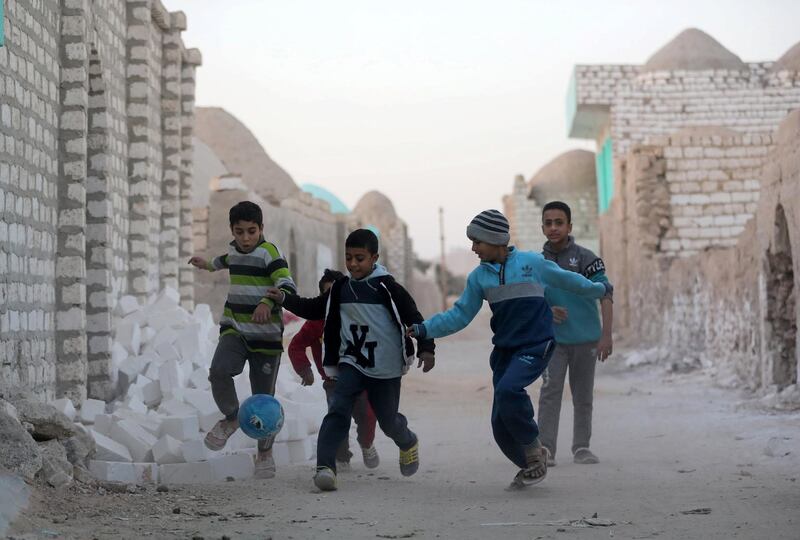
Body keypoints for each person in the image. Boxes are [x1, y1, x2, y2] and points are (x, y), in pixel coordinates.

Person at [407, 209, 610, 488]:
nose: (473, 248)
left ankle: (534, 449)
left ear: (496, 240)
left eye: (478, 241)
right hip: (504, 351)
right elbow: (459, 316)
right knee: (500, 425)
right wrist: (423, 329)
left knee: (508, 390)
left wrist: (599, 289)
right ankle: (531, 464)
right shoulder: (478, 278)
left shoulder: (532, 263)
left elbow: (568, 280)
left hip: (537, 344)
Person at [265, 229, 435, 491]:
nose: (353, 264)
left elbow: (414, 317)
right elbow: (313, 308)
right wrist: (286, 299)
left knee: (388, 421)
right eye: (348, 258)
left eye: (360, 258)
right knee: (338, 410)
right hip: (351, 363)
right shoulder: (341, 289)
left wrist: (426, 347)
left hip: (386, 368)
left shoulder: (387, 288)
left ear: (374, 258)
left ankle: (407, 441)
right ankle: (325, 467)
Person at [188, 200, 297, 479]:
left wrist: (266, 303)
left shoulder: (269, 253)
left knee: (263, 399)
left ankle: (264, 452)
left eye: (251, 231)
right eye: (239, 232)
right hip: (235, 327)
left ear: (261, 228)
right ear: (232, 231)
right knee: (219, 371)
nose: (246, 238)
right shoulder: (235, 249)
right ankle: (233, 417)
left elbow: (286, 284)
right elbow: (226, 261)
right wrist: (207, 265)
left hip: (266, 339)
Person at [536, 201, 613, 466]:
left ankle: (581, 447)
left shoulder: (586, 259)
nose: (554, 228)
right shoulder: (537, 263)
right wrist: (547, 311)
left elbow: (606, 294)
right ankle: (545, 448)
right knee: (549, 392)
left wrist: (606, 335)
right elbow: (529, 300)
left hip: (586, 340)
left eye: (559, 222)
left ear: (570, 226)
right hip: (553, 342)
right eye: (548, 223)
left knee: (583, 396)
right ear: (542, 227)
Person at [287, 268, 380, 470]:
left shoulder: (358, 317)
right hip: (333, 381)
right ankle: (342, 457)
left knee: (367, 415)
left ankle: (366, 442)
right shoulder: (315, 324)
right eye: (326, 294)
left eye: (336, 294)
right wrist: (305, 369)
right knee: (338, 417)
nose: (332, 299)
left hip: (361, 377)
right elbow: (296, 345)